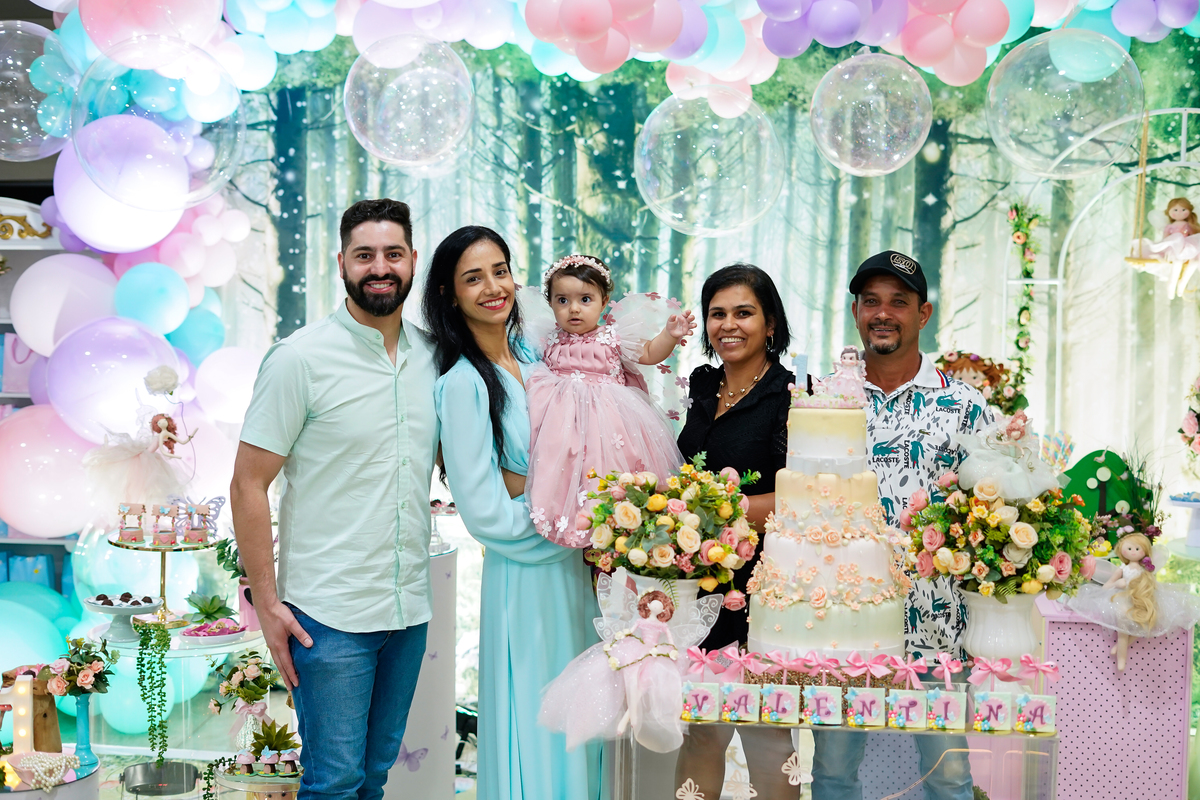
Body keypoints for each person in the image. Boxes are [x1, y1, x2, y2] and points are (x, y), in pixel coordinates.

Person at [231, 198, 437, 800]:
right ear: (341, 263)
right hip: (328, 615)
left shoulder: (434, 357)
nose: (380, 267)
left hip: (407, 609)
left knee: (373, 778)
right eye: (364, 255)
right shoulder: (299, 359)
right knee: (334, 783)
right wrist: (268, 603)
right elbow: (247, 483)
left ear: (412, 261)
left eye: (393, 254)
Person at [423, 227, 600, 800]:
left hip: (580, 569)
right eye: (473, 278)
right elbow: (486, 513)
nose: (493, 287)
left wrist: (585, 517)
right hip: (528, 575)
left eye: (500, 270)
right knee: (539, 717)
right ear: (450, 294)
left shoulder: (538, 356)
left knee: (586, 716)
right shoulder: (463, 384)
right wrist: (570, 525)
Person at [809, 250, 992, 800]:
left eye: (898, 302)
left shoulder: (964, 405)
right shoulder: (824, 399)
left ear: (923, 313)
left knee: (949, 777)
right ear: (856, 312)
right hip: (842, 619)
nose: (882, 314)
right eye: (871, 302)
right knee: (833, 773)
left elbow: (987, 513)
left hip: (935, 622)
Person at [674, 263, 799, 800]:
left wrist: (718, 512)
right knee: (702, 730)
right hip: (699, 582)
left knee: (766, 734)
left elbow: (801, 496)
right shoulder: (702, 385)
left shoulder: (791, 395)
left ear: (770, 324)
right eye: (717, 313)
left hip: (762, 587)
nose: (728, 324)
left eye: (743, 313)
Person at [524, 253, 694, 547]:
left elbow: (649, 353)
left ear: (603, 302)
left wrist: (669, 335)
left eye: (585, 299)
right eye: (562, 300)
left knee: (608, 472)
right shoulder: (547, 338)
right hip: (562, 423)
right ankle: (567, 518)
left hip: (608, 421)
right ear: (550, 303)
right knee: (563, 468)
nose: (573, 309)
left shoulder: (613, 337)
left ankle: (612, 523)